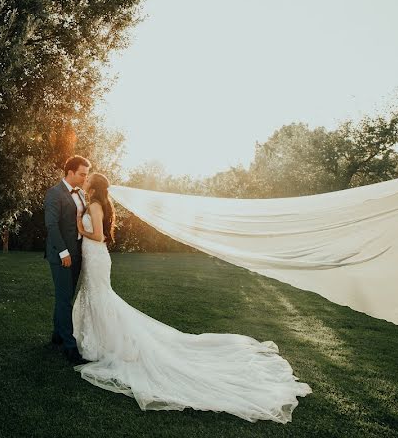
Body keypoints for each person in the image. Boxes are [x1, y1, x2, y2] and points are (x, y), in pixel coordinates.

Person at [70, 172, 312, 424]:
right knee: (96, 297)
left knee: (101, 298)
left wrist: (79, 227)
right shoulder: (94, 203)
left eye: (88, 180)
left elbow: (99, 236)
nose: (85, 181)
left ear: (94, 186)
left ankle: (109, 344)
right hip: (92, 257)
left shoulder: (96, 205)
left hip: (96, 255)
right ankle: (99, 340)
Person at [43, 155, 92, 364]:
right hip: (62, 255)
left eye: (86, 175)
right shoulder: (54, 193)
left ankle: (57, 335)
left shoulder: (80, 193)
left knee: (65, 297)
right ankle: (70, 349)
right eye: (82, 174)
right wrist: (64, 252)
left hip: (78, 252)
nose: (84, 178)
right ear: (70, 172)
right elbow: (51, 225)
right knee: (65, 300)